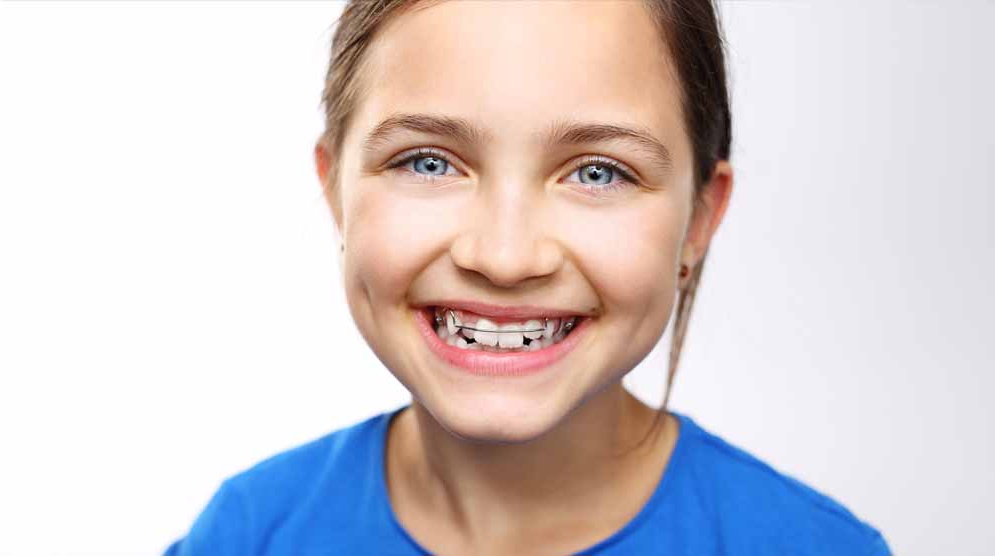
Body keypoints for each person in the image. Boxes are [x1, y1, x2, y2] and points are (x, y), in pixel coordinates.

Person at [165, 1, 891, 554]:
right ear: (335, 193)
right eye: (428, 161)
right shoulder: (249, 535)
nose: (505, 257)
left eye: (599, 172)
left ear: (699, 218)